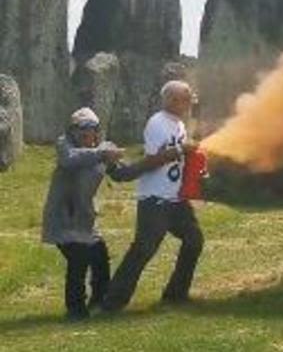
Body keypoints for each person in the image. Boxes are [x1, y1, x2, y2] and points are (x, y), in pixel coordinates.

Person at [41, 108, 178, 320]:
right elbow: (70, 159)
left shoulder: (104, 149)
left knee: (99, 258)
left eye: (92, 131)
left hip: (85, 220)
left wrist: (156, 160)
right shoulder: (65, 144)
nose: (88, 136)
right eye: (82, 132)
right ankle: (76, 310)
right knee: (78, 260)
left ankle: (99, 300)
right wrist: (103, 154)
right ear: (74, 132)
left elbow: (124, 174)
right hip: (64, 217)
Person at [102, 81, 203, 312]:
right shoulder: (157, 123)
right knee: (143, 250)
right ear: (171, 100)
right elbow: (153, 160)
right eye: (185, 99)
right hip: (155, 199)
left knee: (194, 240)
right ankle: (113, 302)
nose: (189, 104)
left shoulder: (178, 124)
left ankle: (175, 295)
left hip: (175, 199)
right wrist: (180, 150)